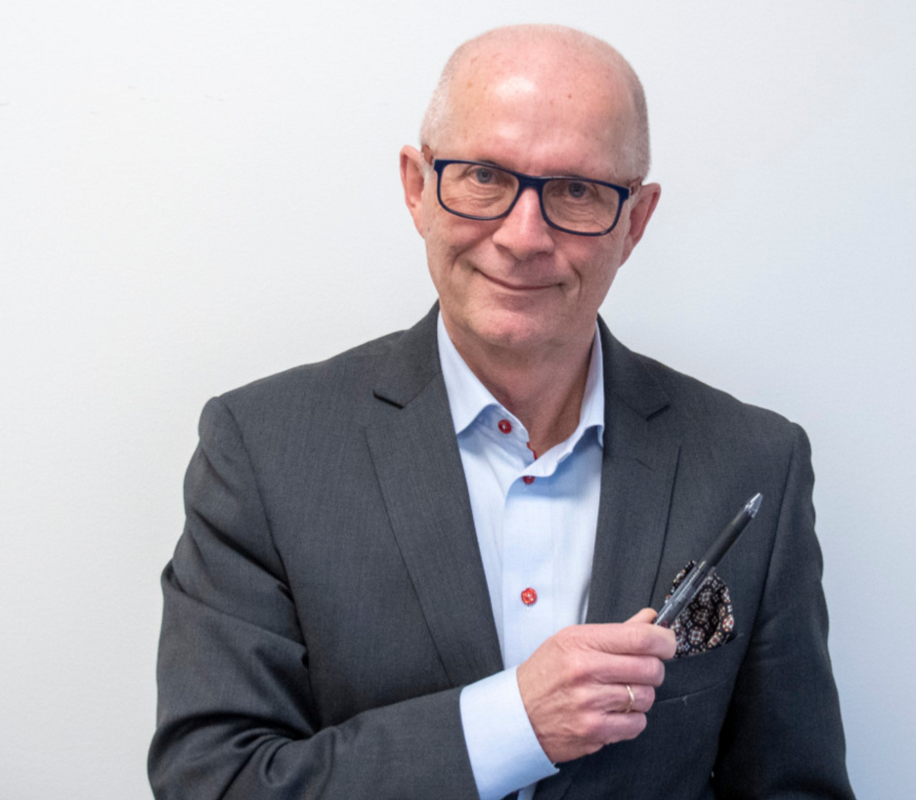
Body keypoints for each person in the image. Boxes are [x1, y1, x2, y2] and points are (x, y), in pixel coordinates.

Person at [149, 24, 854, 800]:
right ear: (417, 187)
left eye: (577, 190)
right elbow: (211, 784)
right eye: (483, 176)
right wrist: (514, 725)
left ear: (637, 222)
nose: (524, 237)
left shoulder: (755, 460)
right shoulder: (263, 449)